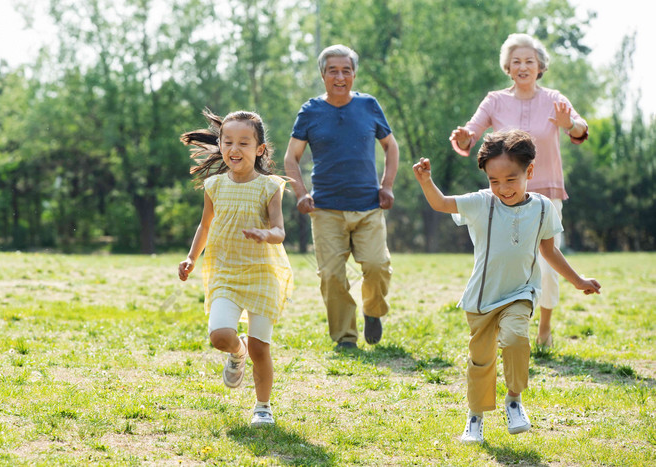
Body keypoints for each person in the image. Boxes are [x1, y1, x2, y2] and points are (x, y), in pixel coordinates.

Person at [413, 129, 601, 444]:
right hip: (481, 299)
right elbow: (443, 204)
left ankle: (514, 400)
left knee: (516, 339)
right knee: (481, 361)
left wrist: (578, 280)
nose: (502, 188)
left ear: (529, 171)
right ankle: (475, 418)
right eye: (494, 181)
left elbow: (549, 251)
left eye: (511, 179)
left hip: (520, 294)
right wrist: (425, 181)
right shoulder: (480, 203)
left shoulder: (542, 208)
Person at [449, 33, 589, 347]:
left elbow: (580, 128)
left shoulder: (554, 98)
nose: (523, 66)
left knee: (547, 260)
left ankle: (545, 328)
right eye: (516, 62)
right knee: (503, 258)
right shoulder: (495, 100)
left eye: (529, 61)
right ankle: (501, 319)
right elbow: (471, 132)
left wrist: (570, 124)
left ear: (540, 67)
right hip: (506, 196)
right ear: (507, 68)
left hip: (546, 194)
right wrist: (462, 137)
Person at [177, 109, 293, 427]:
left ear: (259, 150)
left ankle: (263, 407)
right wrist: (191, 258)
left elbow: (280, 231)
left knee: (260, 348)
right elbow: (205, 226)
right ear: (221, 144)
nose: (234, 148)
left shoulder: (270, 186)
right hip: (225, 272)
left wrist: (265, 234)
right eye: (228, 141)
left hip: (262, 274)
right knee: (219, 335)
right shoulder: (214, 185)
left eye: (244, 142)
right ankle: (236, 351)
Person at [284, 44, 399, 350]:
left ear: (353, 74)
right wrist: (301, 193)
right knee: (331, 276)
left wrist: (386, 186)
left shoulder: (369, 106)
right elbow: (291, 158)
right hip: (326, 210)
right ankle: (345, 338)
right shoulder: (310, 112)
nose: (339, 76)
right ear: (323, 74)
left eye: (346, 70)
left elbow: (391, 147)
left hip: (368, 207)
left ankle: (373, 311)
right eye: (333, 70)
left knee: (377, 266)